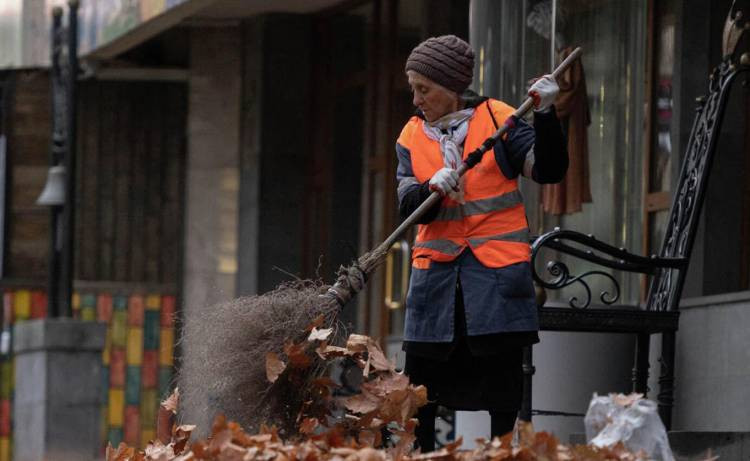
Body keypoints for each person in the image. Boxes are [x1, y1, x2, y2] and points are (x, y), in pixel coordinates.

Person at [395, 35, 568, 451]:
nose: (417, 99)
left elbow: (548, 169)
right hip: (436, 284)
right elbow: (407, 205)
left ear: (453, 87)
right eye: (413, 89)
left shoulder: (500, 120)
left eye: (425, 89)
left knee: (502, 387)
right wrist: (427, 189)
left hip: (494, 278)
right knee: (421, 388)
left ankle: (501, 454)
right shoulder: (411, 136)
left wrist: (546, 116)